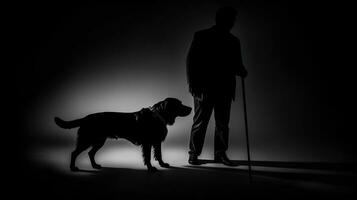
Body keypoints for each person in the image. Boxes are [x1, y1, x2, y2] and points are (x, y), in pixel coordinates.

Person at [186, 6, 247, 166]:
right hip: (204, 88)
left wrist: (241, 70)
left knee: (222, 123)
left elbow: (237, 64)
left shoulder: (234, 41)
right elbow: (191, 61)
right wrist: (192, 83)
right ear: (220, 19)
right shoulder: (202, 36)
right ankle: (193, 154)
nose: (232, 23)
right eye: (230, 19)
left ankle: (219, 154)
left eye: (233, 20)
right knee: (201, 122)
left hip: (225, 88)